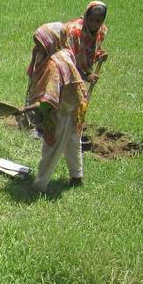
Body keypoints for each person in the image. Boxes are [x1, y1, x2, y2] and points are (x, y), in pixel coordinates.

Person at [23, 22, 87, 191]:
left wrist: (32, 109)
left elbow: (49, 99)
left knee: (51, 148)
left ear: (52, 42)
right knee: (73, 143)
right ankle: (76, 176)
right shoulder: (65, 52)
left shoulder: (53, 64)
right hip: (75, 106)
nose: (37, 47)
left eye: (40, 43)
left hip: (61, 111)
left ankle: (40, 185)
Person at [63, 1, 108, 82]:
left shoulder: (101, 30)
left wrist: (99, 55)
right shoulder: (74, 32)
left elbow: (90, 50)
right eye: (91, 19)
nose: (94, 24)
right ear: (86, 16)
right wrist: (85, 76)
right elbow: (67, 61)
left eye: (98, 21)